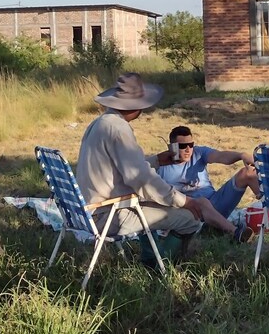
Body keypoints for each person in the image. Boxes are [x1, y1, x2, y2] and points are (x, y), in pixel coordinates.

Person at [76, 73, 204, 258]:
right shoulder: (119, 129)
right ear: (137, 107)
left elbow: (119, 170)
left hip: (89, 210)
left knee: (155, 201)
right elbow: (141, 179)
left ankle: (150, 255)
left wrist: (156, 161)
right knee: (191, 219)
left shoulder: (100, 123)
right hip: (108, 215)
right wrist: (184, 201)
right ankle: (160, 264)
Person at [150, 126, 262, 242]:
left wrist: (241, 155)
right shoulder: (161, 166)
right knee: (202, 202)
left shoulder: (198, 153)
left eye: (191, 145)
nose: (188, 150)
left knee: (247, 173)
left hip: (215, 203)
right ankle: (236, 233)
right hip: (191, 213)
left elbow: (220, 156)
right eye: (183, 146)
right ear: (172, 147)